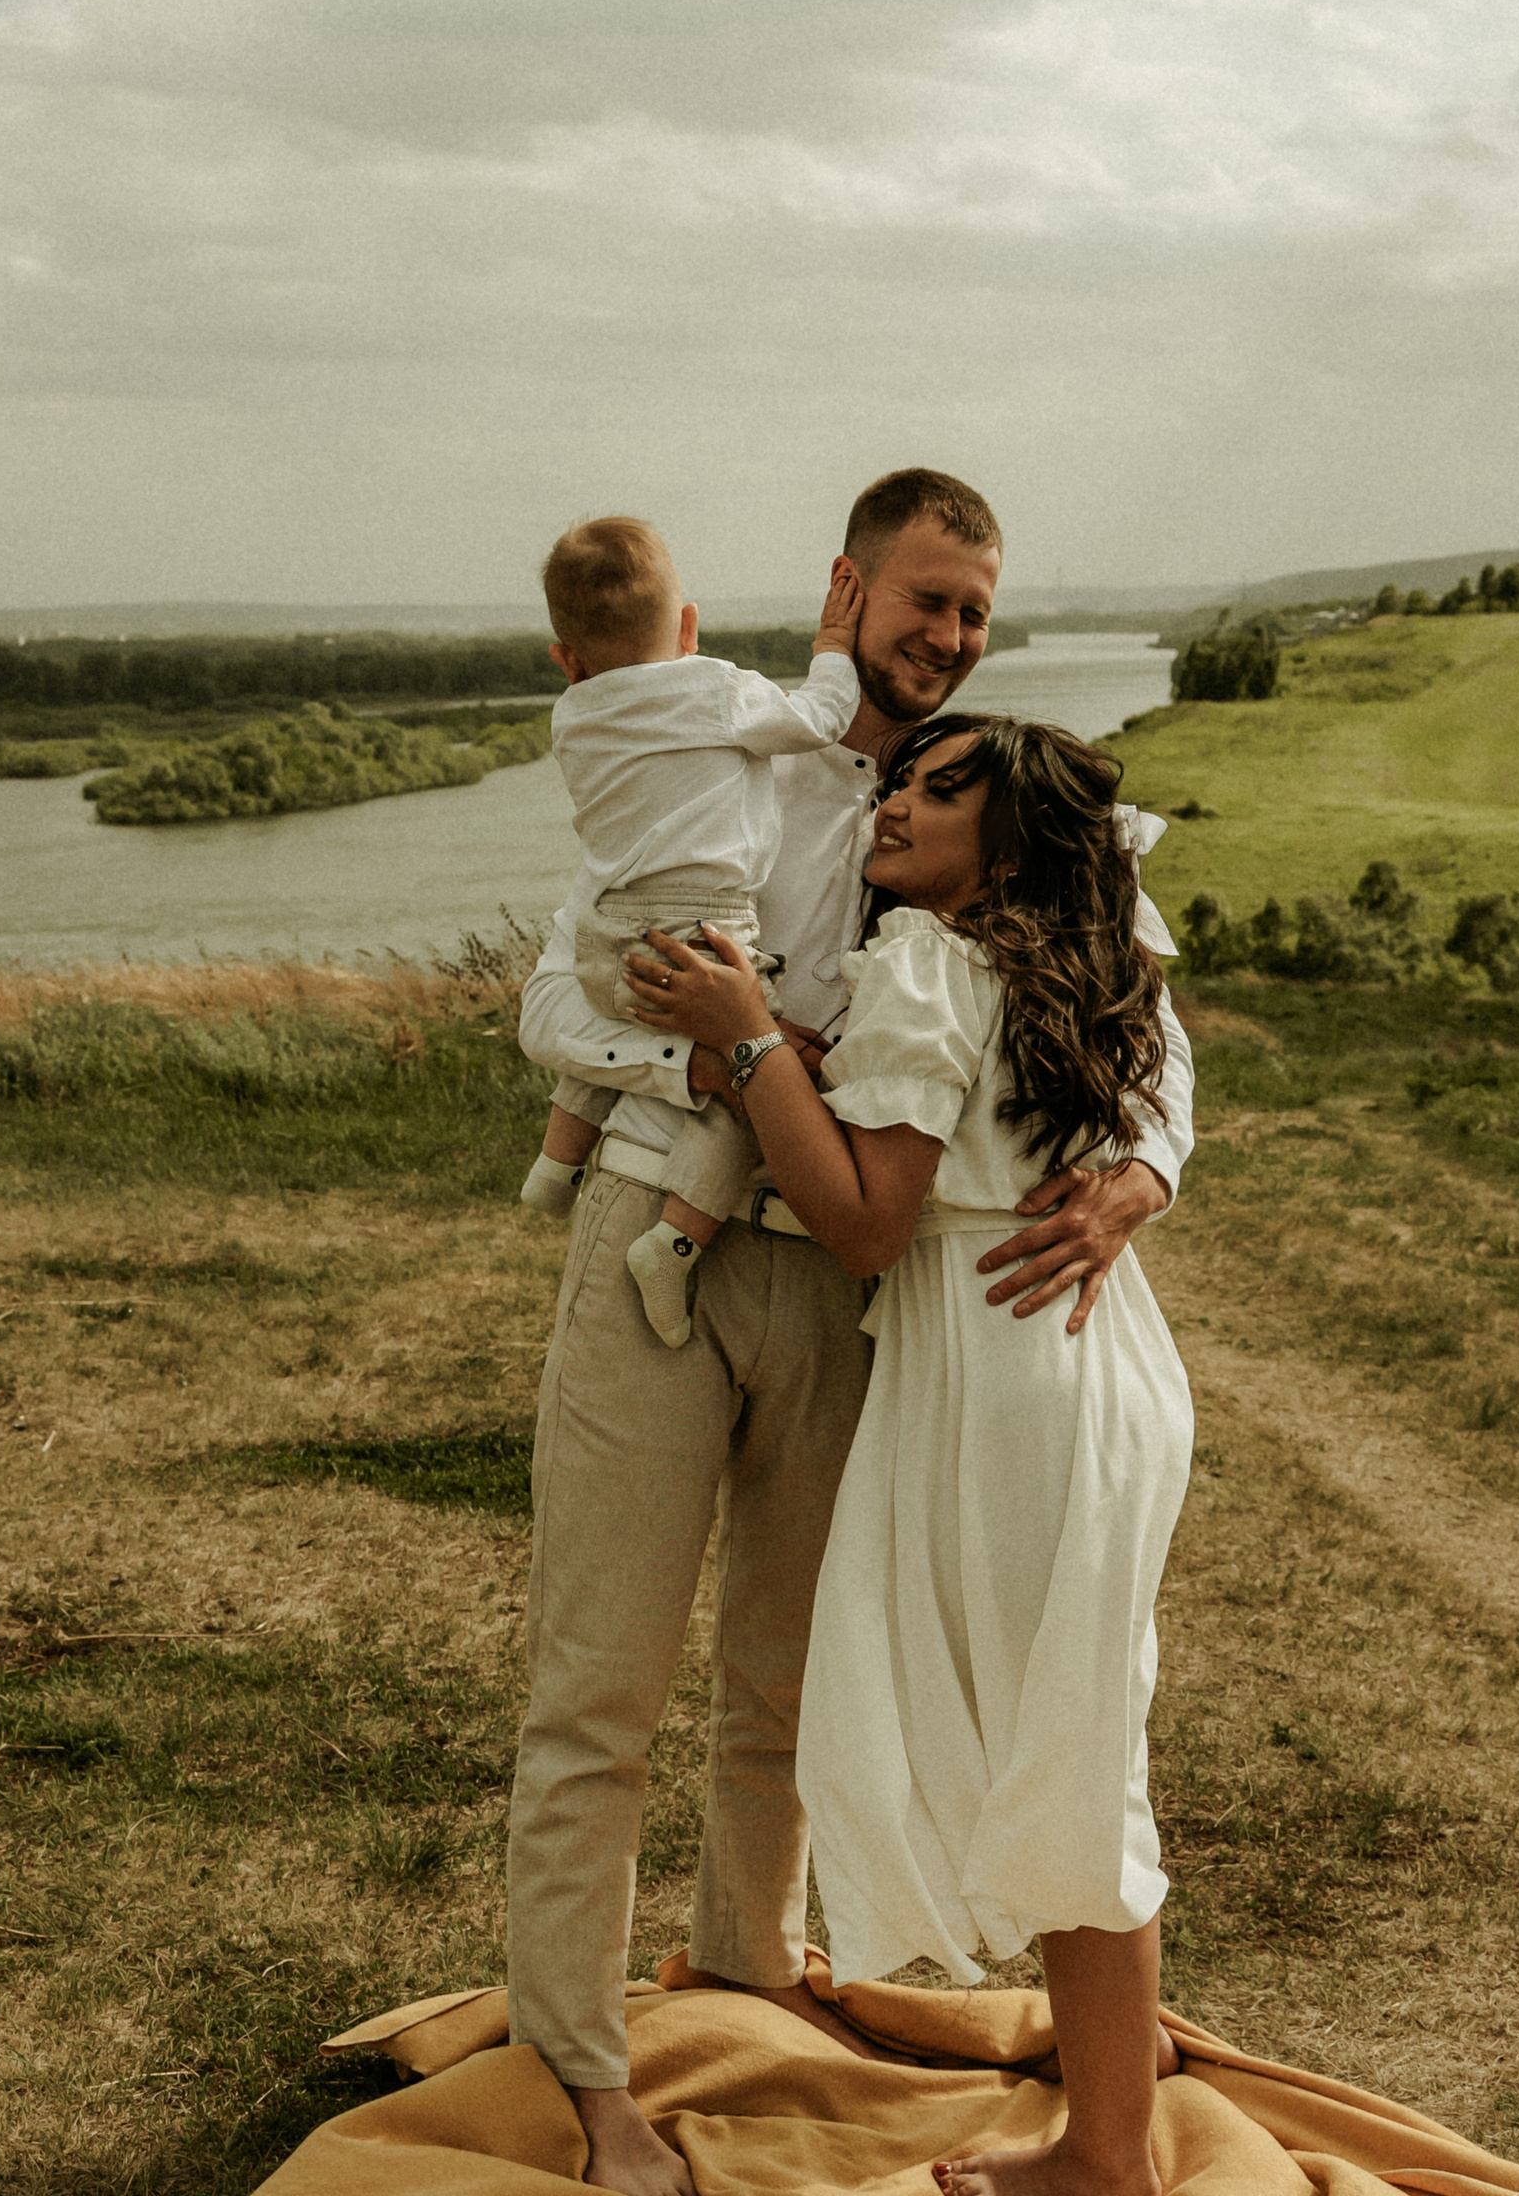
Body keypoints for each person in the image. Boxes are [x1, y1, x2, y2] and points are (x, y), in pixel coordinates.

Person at [506, 468, 1196, 2196]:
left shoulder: (1013, 801)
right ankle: (591, 2081)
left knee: (790, 1681)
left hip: (856, 1289)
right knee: (600, 1690)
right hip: (664, 1238)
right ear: (850, 589)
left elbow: (1153, 1031)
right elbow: (548, 998)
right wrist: (734, 1063)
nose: (948, 638)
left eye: (973, 611)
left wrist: (1142, 1179)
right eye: (924, 602)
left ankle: (751, 1987)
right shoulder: (737, 753)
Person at [633, 713, 1192, 2196]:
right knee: (1084, 1749)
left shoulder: (940, 963)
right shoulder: (1068, 959)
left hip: (1012, 1379)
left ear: (1008, 838)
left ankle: (1109, 2167)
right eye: (900, 775)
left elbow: (869, 1222)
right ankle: (1106, 2147)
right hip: (1101, 1369)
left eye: (945, 791)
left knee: (1078, 1769)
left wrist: (746, 1040)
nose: (897, 803)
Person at [517, 515, 866, 1348]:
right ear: (688, 626)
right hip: (705, 940)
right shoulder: (713, 688)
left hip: (611, 933)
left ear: (566, 659)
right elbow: (821, 716)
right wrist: (831, 644)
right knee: (754, 1085)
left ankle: (556, 1163)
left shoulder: (572, 717)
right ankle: (673, 1244)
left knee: (623, 1008)